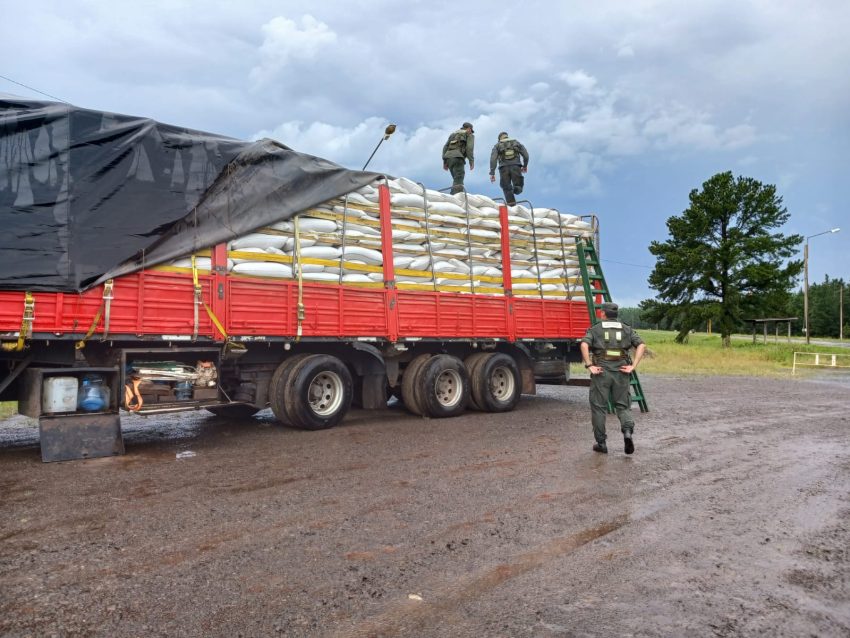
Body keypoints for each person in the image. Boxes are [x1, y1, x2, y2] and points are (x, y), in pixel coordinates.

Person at [579, 302, 646, 455]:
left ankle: (601, 443)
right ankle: (627, 432)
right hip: (622, 371)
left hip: (601, 371)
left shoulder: (596, 329)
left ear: (603, 313)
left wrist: (589, 365)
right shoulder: (626, 329)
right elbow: (641, 345)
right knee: (623, 406)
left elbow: (584, 345)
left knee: (599, 407)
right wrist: (633, 365)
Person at [489, 132, 529, 205]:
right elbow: (526, 155)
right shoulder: (516, 142)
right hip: (516, 167)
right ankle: (515, 189)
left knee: (506, 188)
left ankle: (512, 205)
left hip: (503, 169)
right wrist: (525, 166)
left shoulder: (497, 145)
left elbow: (493, 159)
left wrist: (492, 173)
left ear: (499, 139)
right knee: (518, 187)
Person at [442, 122, 475, 194]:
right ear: (469, 129)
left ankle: (455, 194)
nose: (471, 132)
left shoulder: (453, 134)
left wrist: (444, 161)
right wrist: (471, 161)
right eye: (471, 130)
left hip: (448, 158)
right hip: (458, 158)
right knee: (459, 179)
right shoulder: (469, 135)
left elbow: (445, 147)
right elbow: (469, 148)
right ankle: (455, 196)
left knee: (456, 179)